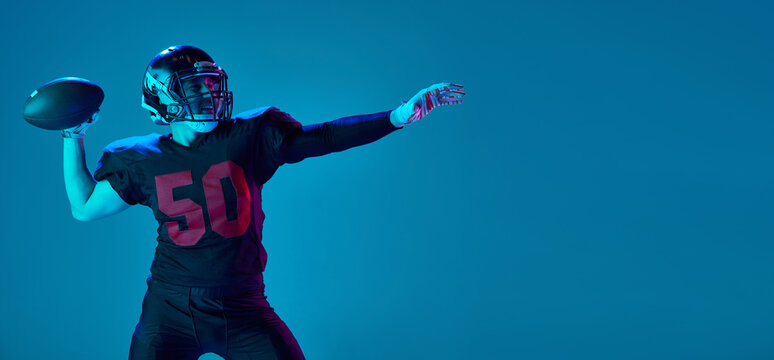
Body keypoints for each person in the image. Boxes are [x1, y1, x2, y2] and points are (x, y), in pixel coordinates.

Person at [62, 45, 465, 360]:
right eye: (192, 86)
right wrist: (72, 137)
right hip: (169, 309)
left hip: (242, 304)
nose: (206, 94)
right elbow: (84, 208)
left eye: (209, 84)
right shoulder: (140, 159)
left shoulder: (247, 137)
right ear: (161, 99)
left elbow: (323, 137)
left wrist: (395, 117)